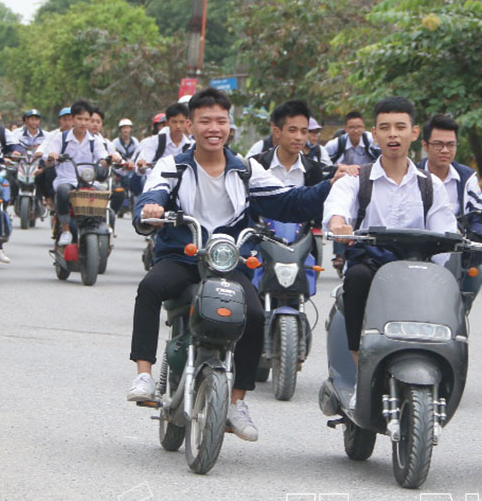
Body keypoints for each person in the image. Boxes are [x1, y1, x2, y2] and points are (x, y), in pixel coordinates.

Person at [127, 88, 347, 441]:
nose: (213, 128)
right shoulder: (173, 166)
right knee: (150, 287)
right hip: (182, 257)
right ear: (190, 125)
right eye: (205, 121)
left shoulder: (246, 169)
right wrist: (150, 211)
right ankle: (143, 373)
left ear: (229, 125)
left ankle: (237, 401)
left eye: (221, 121)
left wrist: (329, 185)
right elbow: (151, 197)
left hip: (230, 263)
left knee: (256, 315)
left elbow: (289, 201)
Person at [325, 97, 460, 362]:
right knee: (357, 278)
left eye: (400, 126)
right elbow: (336, 206)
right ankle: (358, 365)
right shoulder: (357, 178)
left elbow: (445, 234)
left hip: (417, 270)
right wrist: (338, 224)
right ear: (374, 134)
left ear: (414, 132)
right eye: (385, 128)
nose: (393, 134)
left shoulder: (431, 186)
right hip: (371, 266)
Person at [417, 113, 482, 307]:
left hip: (455, 248)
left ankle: (459, 315)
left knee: (478, 271)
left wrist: (476, 234)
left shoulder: (466, 177)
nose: (445, 150)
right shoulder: (412, 174)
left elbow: (479, 214)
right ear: (425, 145)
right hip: (417, 246)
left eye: (451, 145)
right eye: (438, 144)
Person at [41, 100, 122, 247]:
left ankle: (100, 229)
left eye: (86, 119)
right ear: (72, 119)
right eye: (79, 119)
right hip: (66, 179)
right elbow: (47, 158)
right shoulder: (62, 138)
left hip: (89, 181)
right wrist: (52, 156)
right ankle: (65, 230)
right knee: (62, 191)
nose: (83, 123)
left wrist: (110, 159)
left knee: (103, 195)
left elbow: (102, 159)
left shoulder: (94, 140)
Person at [134, 103, 191, 175]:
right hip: (157, 183)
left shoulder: (191, 145)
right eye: (174, 122)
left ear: (187, 123)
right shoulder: (156, 141)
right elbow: (140, 168)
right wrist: (141, 166)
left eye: (182, 122)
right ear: (167, 123)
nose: (178, 126)